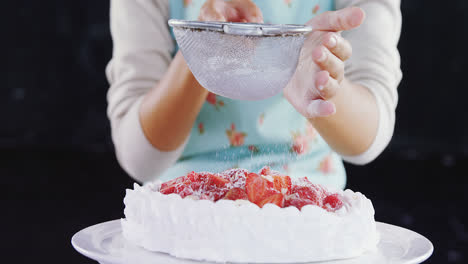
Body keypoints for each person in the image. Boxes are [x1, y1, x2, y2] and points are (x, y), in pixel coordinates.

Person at [106, 0, 401, 189]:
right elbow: (139, 159)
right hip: (181, 210)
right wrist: (205, 48)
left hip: (311, 209)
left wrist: (320, 84)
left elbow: (368, 138)